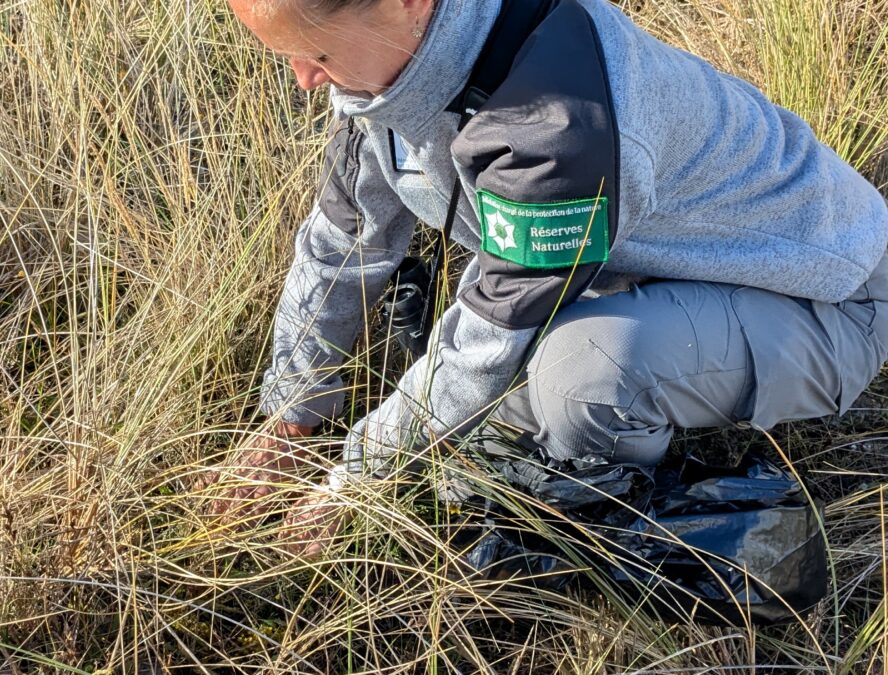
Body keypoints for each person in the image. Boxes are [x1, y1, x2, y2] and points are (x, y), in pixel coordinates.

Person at [202, 0, 888, 557]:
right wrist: (291, 415)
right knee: (470, 430)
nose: (303, 79)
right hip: (667, 269)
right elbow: (342, 242)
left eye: (316, 54)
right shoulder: (388, 71)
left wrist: (354, 481)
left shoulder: (553, 128)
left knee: (577, 378)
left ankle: (621, 510)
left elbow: (483, 341)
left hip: (829, 299)